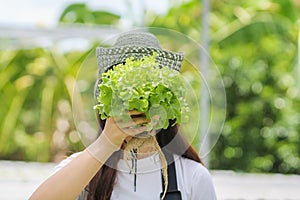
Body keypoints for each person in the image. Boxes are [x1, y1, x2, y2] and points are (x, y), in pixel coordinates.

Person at [30, 31, 217, 200]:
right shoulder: (84, 172)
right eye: (125, 96)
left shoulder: (192, 177)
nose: (137, 110)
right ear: (106, 107)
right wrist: (107, 142)